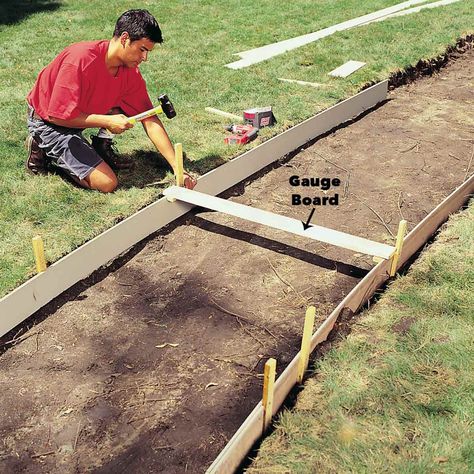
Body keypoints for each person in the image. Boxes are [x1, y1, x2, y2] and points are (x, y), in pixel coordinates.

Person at [25, 9, 196, 192]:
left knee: (122, 108)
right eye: (142, 50)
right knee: (107, 184)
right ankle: (41, 147)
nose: (145, 58)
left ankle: (99, 147)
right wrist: (107, 121)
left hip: (77, 114)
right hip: (49, 123)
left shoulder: (130, 73)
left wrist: (178, 168)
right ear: (124, 39)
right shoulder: (80, 60)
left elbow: (149, 118)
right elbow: (57, 116)